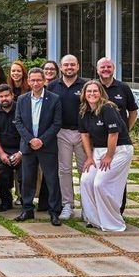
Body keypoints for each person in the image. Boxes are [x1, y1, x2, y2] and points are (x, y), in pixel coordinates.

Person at [78, 80, 133, 232]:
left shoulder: (107, 108)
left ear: (101, 93)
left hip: (120, 150)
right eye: (89, 91)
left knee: (100, 183)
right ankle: (95, 219)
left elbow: (113, 133)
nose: (92, 94)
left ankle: (113, 221)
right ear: (84, 94)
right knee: (86, 180)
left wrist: (109, 156)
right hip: (98, 151)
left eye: (95, 91)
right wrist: (89, 157)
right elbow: (84, 136)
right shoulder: (83, 111)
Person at [14, 67, 63, 226]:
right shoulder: (22, 99)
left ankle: (54, 211)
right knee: (28, 179)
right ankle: (27, 209)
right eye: (33, 80)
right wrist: (30, 140)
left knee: (51, 179)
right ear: (28, 81)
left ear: (44, 81)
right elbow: (19, 122)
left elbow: (57, 124)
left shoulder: (54, 99)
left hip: (47, 146)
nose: (36, 83)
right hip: (28, 146)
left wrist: (41, 140)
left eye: (39, 80)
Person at [96, 56, 139, 215]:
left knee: (119, 177)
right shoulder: (93, 87)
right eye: (103, 67)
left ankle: (118, 210)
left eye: (109, 67)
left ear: (113, 69)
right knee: (99, 178)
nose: (106, 70)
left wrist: (126, 128)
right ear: (97, 69)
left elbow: (133, 111)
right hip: (98, 142)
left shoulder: (123, 87)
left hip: (120, 142)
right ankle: (100, 210)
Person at [47, 54, 87, 221]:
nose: (69, 67)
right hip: (61, 132)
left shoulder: (86, 85)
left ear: (78, 66)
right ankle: (67, 205)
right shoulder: (52, 85)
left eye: (72, 64)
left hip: (83, 133)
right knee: (64, 170)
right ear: (60, 67)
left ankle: (87, 206)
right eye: (66, 65)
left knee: (84, 171)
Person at [0, 84, 21, 211]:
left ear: (12, 95)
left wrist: (21, 153)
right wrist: (1, 154)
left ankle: (26, 202)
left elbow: (27, 133)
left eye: (6, 95)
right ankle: (6, 202)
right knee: (1, 174)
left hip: (21, 150)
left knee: (25, 176)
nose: (4, 99)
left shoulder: (21, 108)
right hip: (2, 150)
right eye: (1, 96)